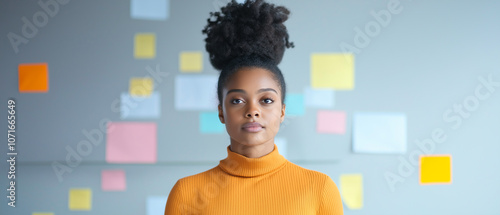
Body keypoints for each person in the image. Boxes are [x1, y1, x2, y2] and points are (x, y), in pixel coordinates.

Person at [164, 0, 343, 214]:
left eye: (266, 100)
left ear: (282, 111)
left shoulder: (320, 189)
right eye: (237, 100)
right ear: (221, 111)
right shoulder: (187, 193)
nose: (252, 111)